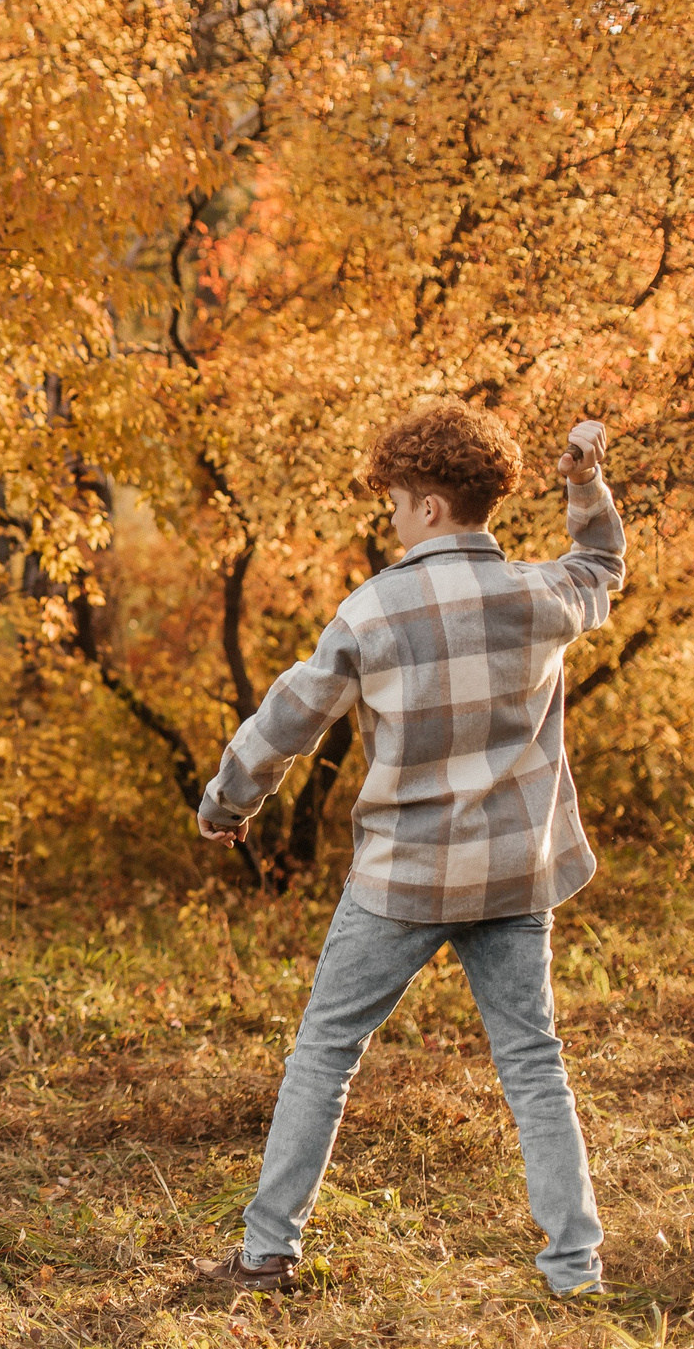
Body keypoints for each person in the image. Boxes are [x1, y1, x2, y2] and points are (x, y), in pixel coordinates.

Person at [192, 406, 622, 1300]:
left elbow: (289, 719)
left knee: (325, 1051)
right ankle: (574, 1269)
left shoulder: (372, 610)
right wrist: (583, 482)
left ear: (428, 506)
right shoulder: (539, 594)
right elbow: (602, 567)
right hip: (512, 874)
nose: (391, 516)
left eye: (394, 500)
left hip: (402, 880)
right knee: (534, 1060)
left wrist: (226, 802)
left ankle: (267, 1254)